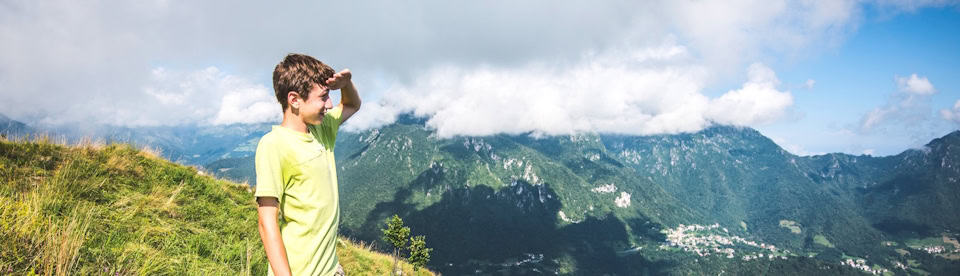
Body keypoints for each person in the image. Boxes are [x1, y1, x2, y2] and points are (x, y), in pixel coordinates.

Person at [255, 53, 360, 276]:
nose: (330, 104)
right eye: (323, 97)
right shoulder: (274, 145)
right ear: (294, 100)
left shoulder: (321, 130)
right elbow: (267, 222)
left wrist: (346, 84)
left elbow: (352, 104)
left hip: (331, 269)